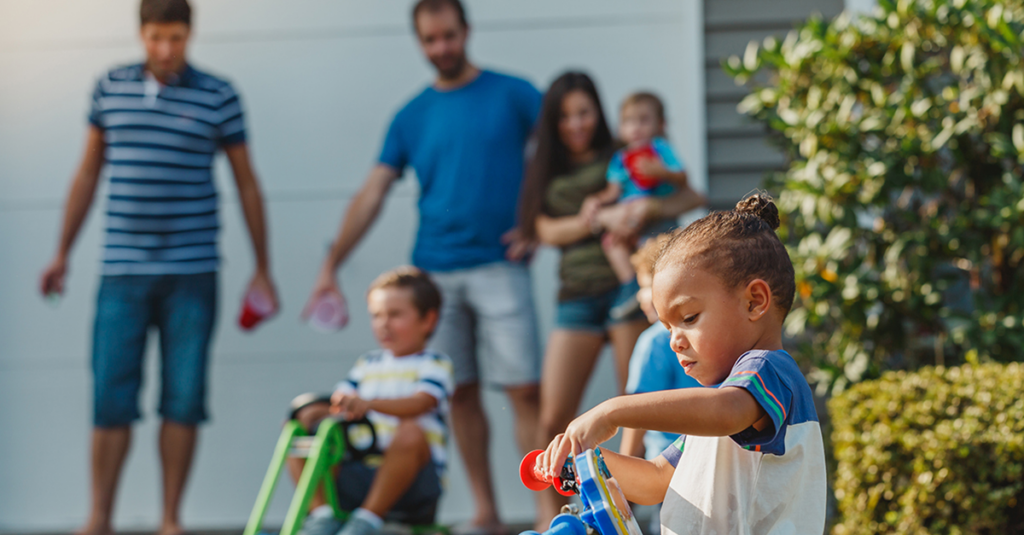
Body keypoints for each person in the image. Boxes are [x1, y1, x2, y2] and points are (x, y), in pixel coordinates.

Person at [37, 1, 278, 534]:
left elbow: (247, 183)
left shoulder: (219, 94)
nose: (166, 50)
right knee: (110, 397)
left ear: (190, 35)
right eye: (155, 38)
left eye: (175, 38)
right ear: (140, 35)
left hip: (193, 272)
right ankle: (98, 519)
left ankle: (171, 520)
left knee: (184, 397)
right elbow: (87, 174)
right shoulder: (109, 87)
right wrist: (62, 251)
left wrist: (263, 266)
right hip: (121, 270)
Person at [303, 1, 542, 531]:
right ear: (420, 41)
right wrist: (331, 264)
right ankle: (486, 512)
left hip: (500, 265)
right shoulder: (411, 116)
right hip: (435, 271)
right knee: (459, 392)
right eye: (430, 40)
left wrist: (537, 220)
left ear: (466, 31)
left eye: (449, 36)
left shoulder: (514, 93)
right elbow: (373, 192)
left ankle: (551, 515)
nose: (441, 48)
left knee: (525, 388)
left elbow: (566, 149)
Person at [534, 194, 828, 534]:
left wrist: (611, 412)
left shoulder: (769, 372)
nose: (674, 340)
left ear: (754, 302)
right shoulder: (719, 416)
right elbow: (656, 479)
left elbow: (726, 411)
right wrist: (585, 462)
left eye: (688, 318)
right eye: (667, 327)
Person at [517, 72, 705, 529]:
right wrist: (603, 217)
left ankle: (626, 513)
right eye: (563, 116)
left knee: (635, 398)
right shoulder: (547, 166)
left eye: (583, 112)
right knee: (554, 414)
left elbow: (687, 194)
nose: (575, 124)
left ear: (600, 115)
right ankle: (550, 520)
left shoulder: (624, 152)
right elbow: (543, 230)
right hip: (577, 294)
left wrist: (644, 209)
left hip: (631, 290)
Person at [289, 267, 453, 535]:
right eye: (376, 316)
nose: (383, 324)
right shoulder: (367, 364)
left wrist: (369, 404)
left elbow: (422, 403)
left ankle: (367, 521)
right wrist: (314, 411)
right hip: (358, 475)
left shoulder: (434, 364)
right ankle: (321, 514)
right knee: (298, 426)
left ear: (428, 320)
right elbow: (340, 404)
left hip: (414, 485)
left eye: (395, 315)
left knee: (411, 431)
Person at [617, 234, 701, 535]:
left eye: (645, 287)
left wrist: (624, 481)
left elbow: (636, 416)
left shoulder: (653, 341)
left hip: (664, 472)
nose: (641, 297)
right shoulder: (704, 338)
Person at [582, 92, 689, 284]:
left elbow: (683, 179)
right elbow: (612, 191)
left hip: (660, 222)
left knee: (659, 258)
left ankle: (656, 288)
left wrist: (662, 172)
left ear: (660, 124)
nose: (636, 127)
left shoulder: (660, 149)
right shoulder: (620, 158)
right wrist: (596, 200)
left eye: (644, 120)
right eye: (628, 121)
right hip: (628, 221)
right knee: (611, 244)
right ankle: (630, 286)